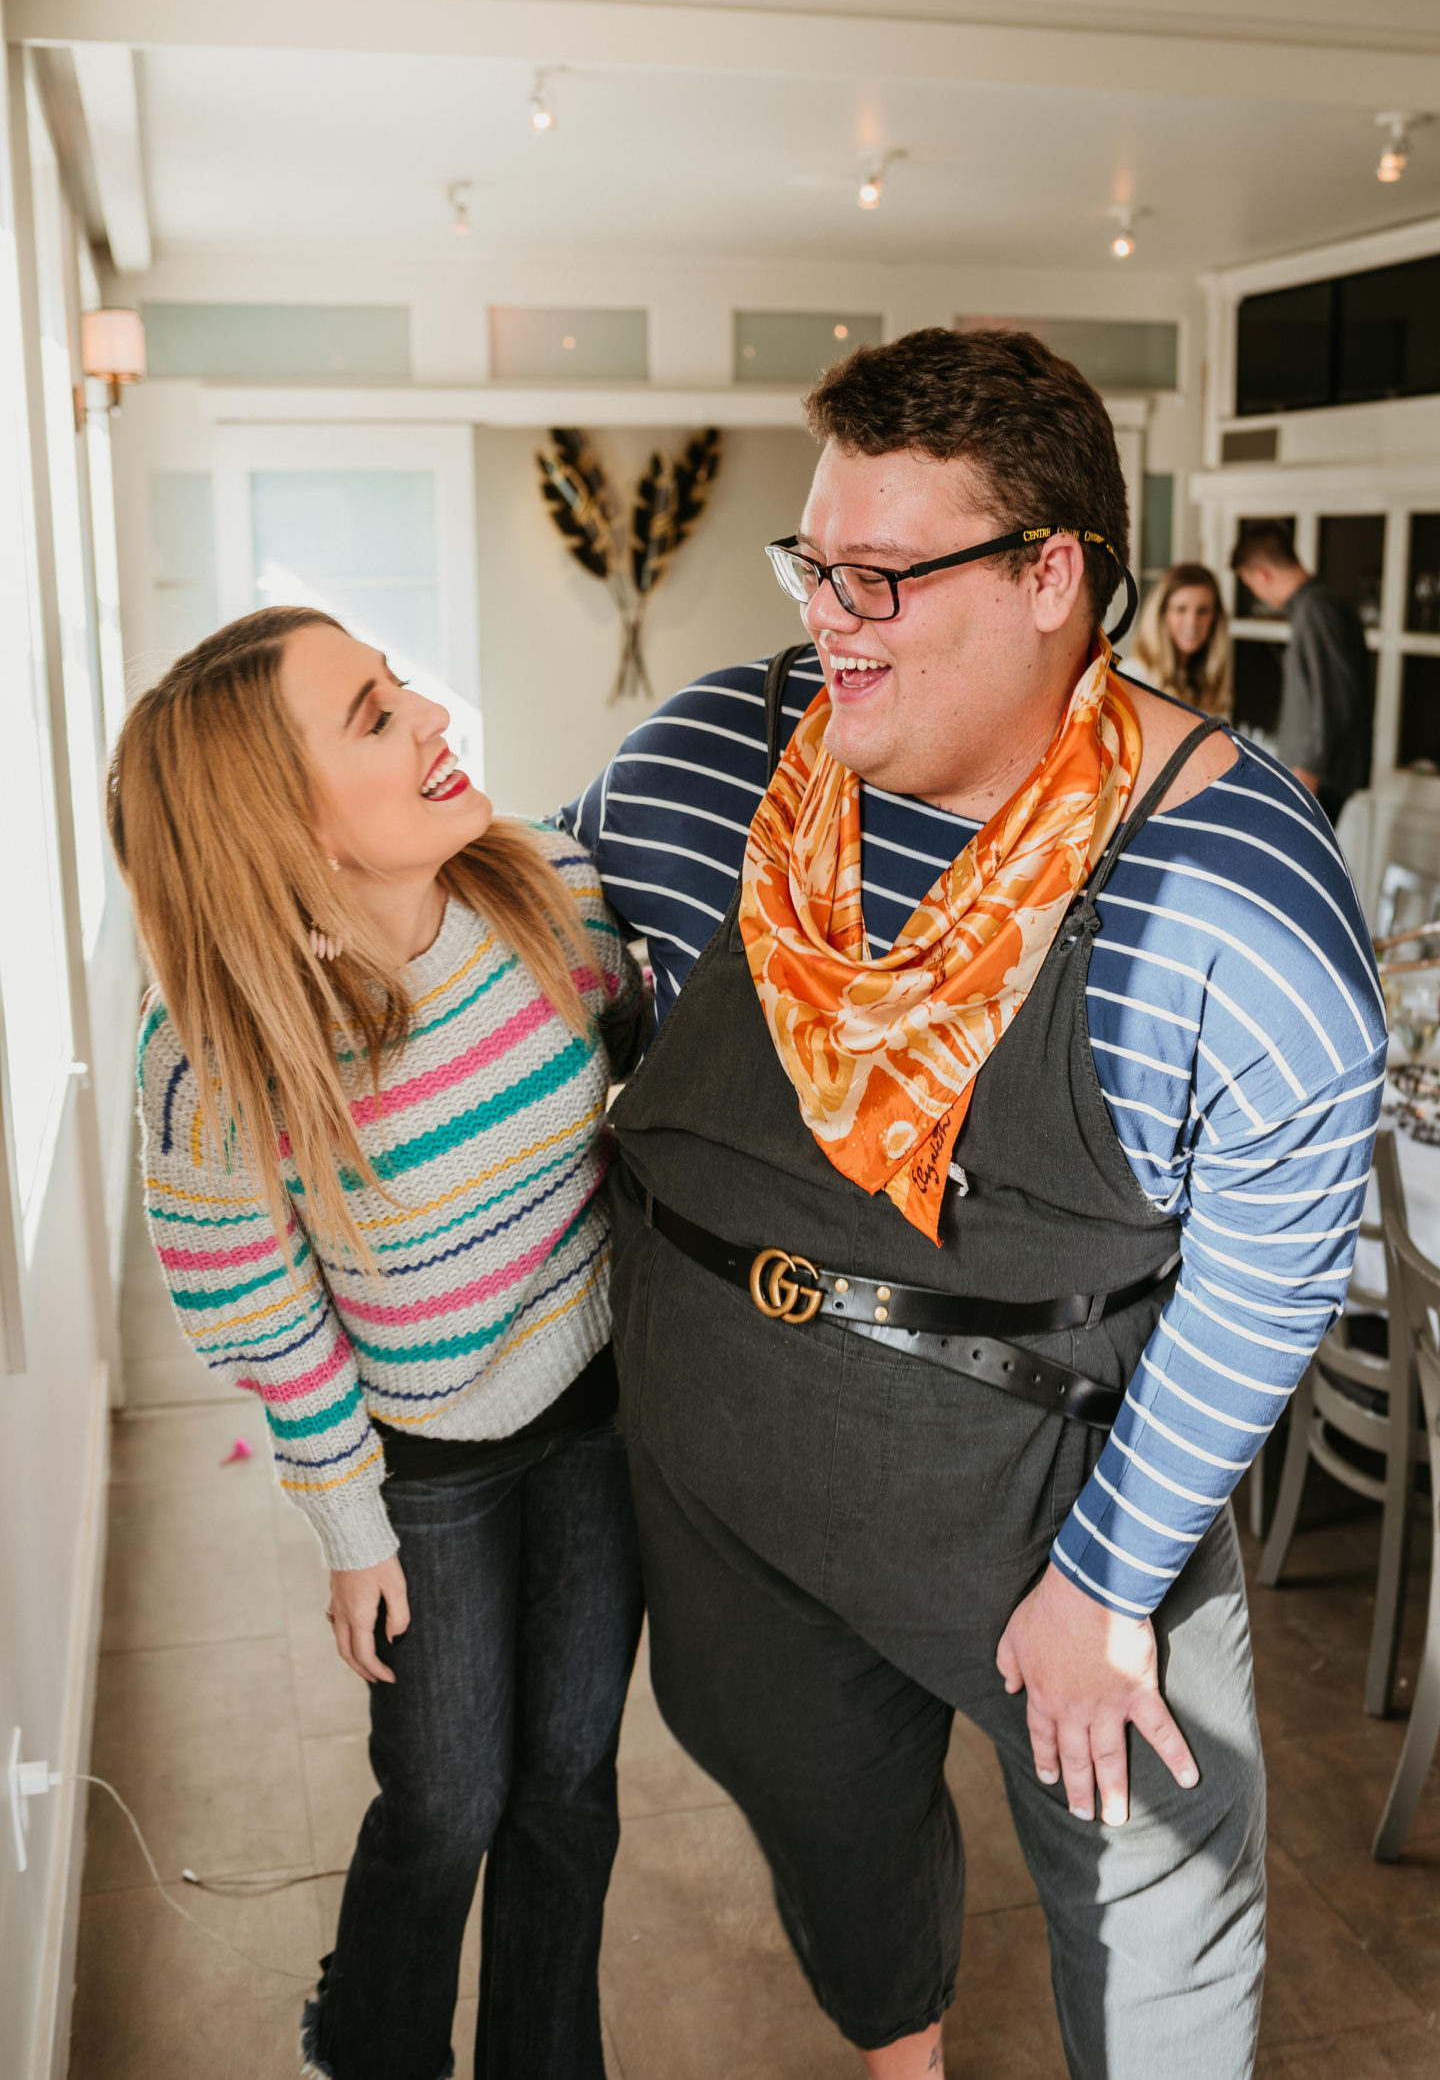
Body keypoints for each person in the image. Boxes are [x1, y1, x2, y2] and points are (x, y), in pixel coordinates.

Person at [563, 328, 1385, 2079]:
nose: (828, 617)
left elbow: (1272, 1271)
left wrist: (1102, 1583)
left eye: (881, 573)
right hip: (734, 1491)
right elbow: (556, 919)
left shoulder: (1223, 886)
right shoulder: (732, 754)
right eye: (815, 563)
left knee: (1161, 1894)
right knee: (823, 1811)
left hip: (1052, 1507)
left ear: (1050, 577)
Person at [108, 607, 647, 2080]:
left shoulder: (555, 893)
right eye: (370, 713)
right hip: (426, 1455)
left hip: (600, 1406)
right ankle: (370, 2042)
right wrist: (352, 1525)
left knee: (569, 1787)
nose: (429, 714)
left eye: (399, 680)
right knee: (447, 1797)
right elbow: (265, 1310)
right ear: (280, 822)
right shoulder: (220, 1047)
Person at [1229, 521, 1373, 824]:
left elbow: (1333, 695)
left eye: (1250, 584)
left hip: (1316, 778)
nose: (1257, 594)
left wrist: (1308, 771)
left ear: (1263, 575)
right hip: (1319, 774)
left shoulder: (1316, 610)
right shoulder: (1320, 606)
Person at [1126, 559, 1233, 717]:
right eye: (1181, 609)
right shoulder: (1135, 676)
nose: (1192, 623)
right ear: (1162, 614)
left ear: (1216, 618)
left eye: (1203, 611)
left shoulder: (1207, 681)